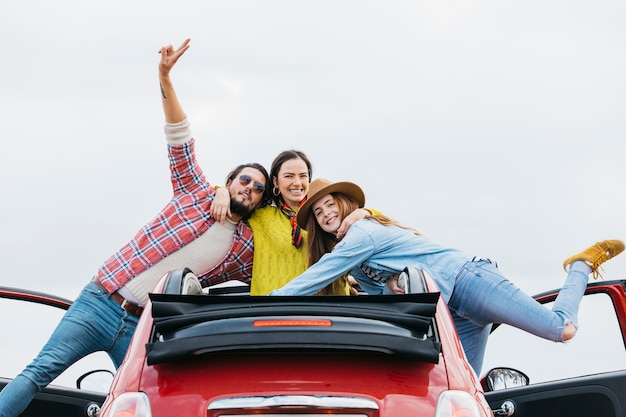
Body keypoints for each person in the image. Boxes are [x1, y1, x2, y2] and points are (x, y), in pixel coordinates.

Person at [0, 38, 272, 417]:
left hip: (142, 326)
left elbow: (279, 271)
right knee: (37, 373)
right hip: (100, 301)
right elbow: (179, 135)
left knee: (139, 404)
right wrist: (164, 75)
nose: (250, 188)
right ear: (231, 180)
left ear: (261, 200)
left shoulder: (244, 247)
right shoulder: (194, 192)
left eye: (259, 188)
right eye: (245, 180)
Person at [269, 178, 624, 374]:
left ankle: (580, 264)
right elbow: (391, 305)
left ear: (344, 205)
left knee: (562, 329)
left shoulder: (363, 234)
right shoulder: (356, 262)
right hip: (455, 313)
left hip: (470, 280)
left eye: (331, 204)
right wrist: (389, 285)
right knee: (462, 384)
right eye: (318, 211)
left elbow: (317, 275)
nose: (326, 213)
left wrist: (266, 304)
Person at [211, 150, 375, 295]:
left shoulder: (324, 214)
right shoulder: (260, 216)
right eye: (289, 176)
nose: (297, 183)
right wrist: (222, 191)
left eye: (303, 176)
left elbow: (381, 224)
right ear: (275, 182)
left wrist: (364, 212)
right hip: (272, 311)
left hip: (328, 311)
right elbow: (234, 196)